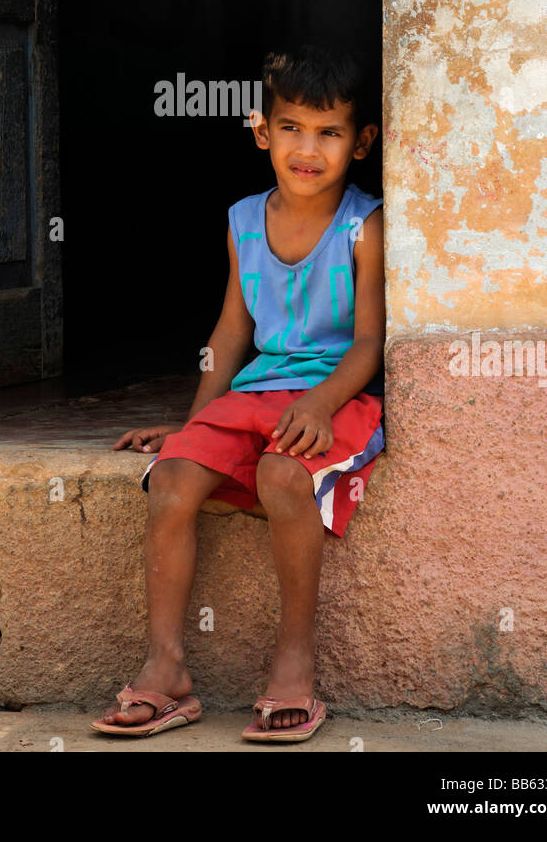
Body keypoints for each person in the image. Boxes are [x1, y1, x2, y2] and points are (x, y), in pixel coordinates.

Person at [92, 44, 385, 742]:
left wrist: (318, 404)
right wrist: (194, 427)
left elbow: (370, 343)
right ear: (261, 130)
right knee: (170, 477)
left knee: (284, 475)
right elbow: (230, 331)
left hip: (335, 395)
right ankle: (166, 671)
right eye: (290, 128)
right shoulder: (242, 219)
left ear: (361, 141)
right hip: (255, 392)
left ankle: (293, 663)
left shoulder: (363, 226)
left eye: (329, 132)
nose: (306, 149)